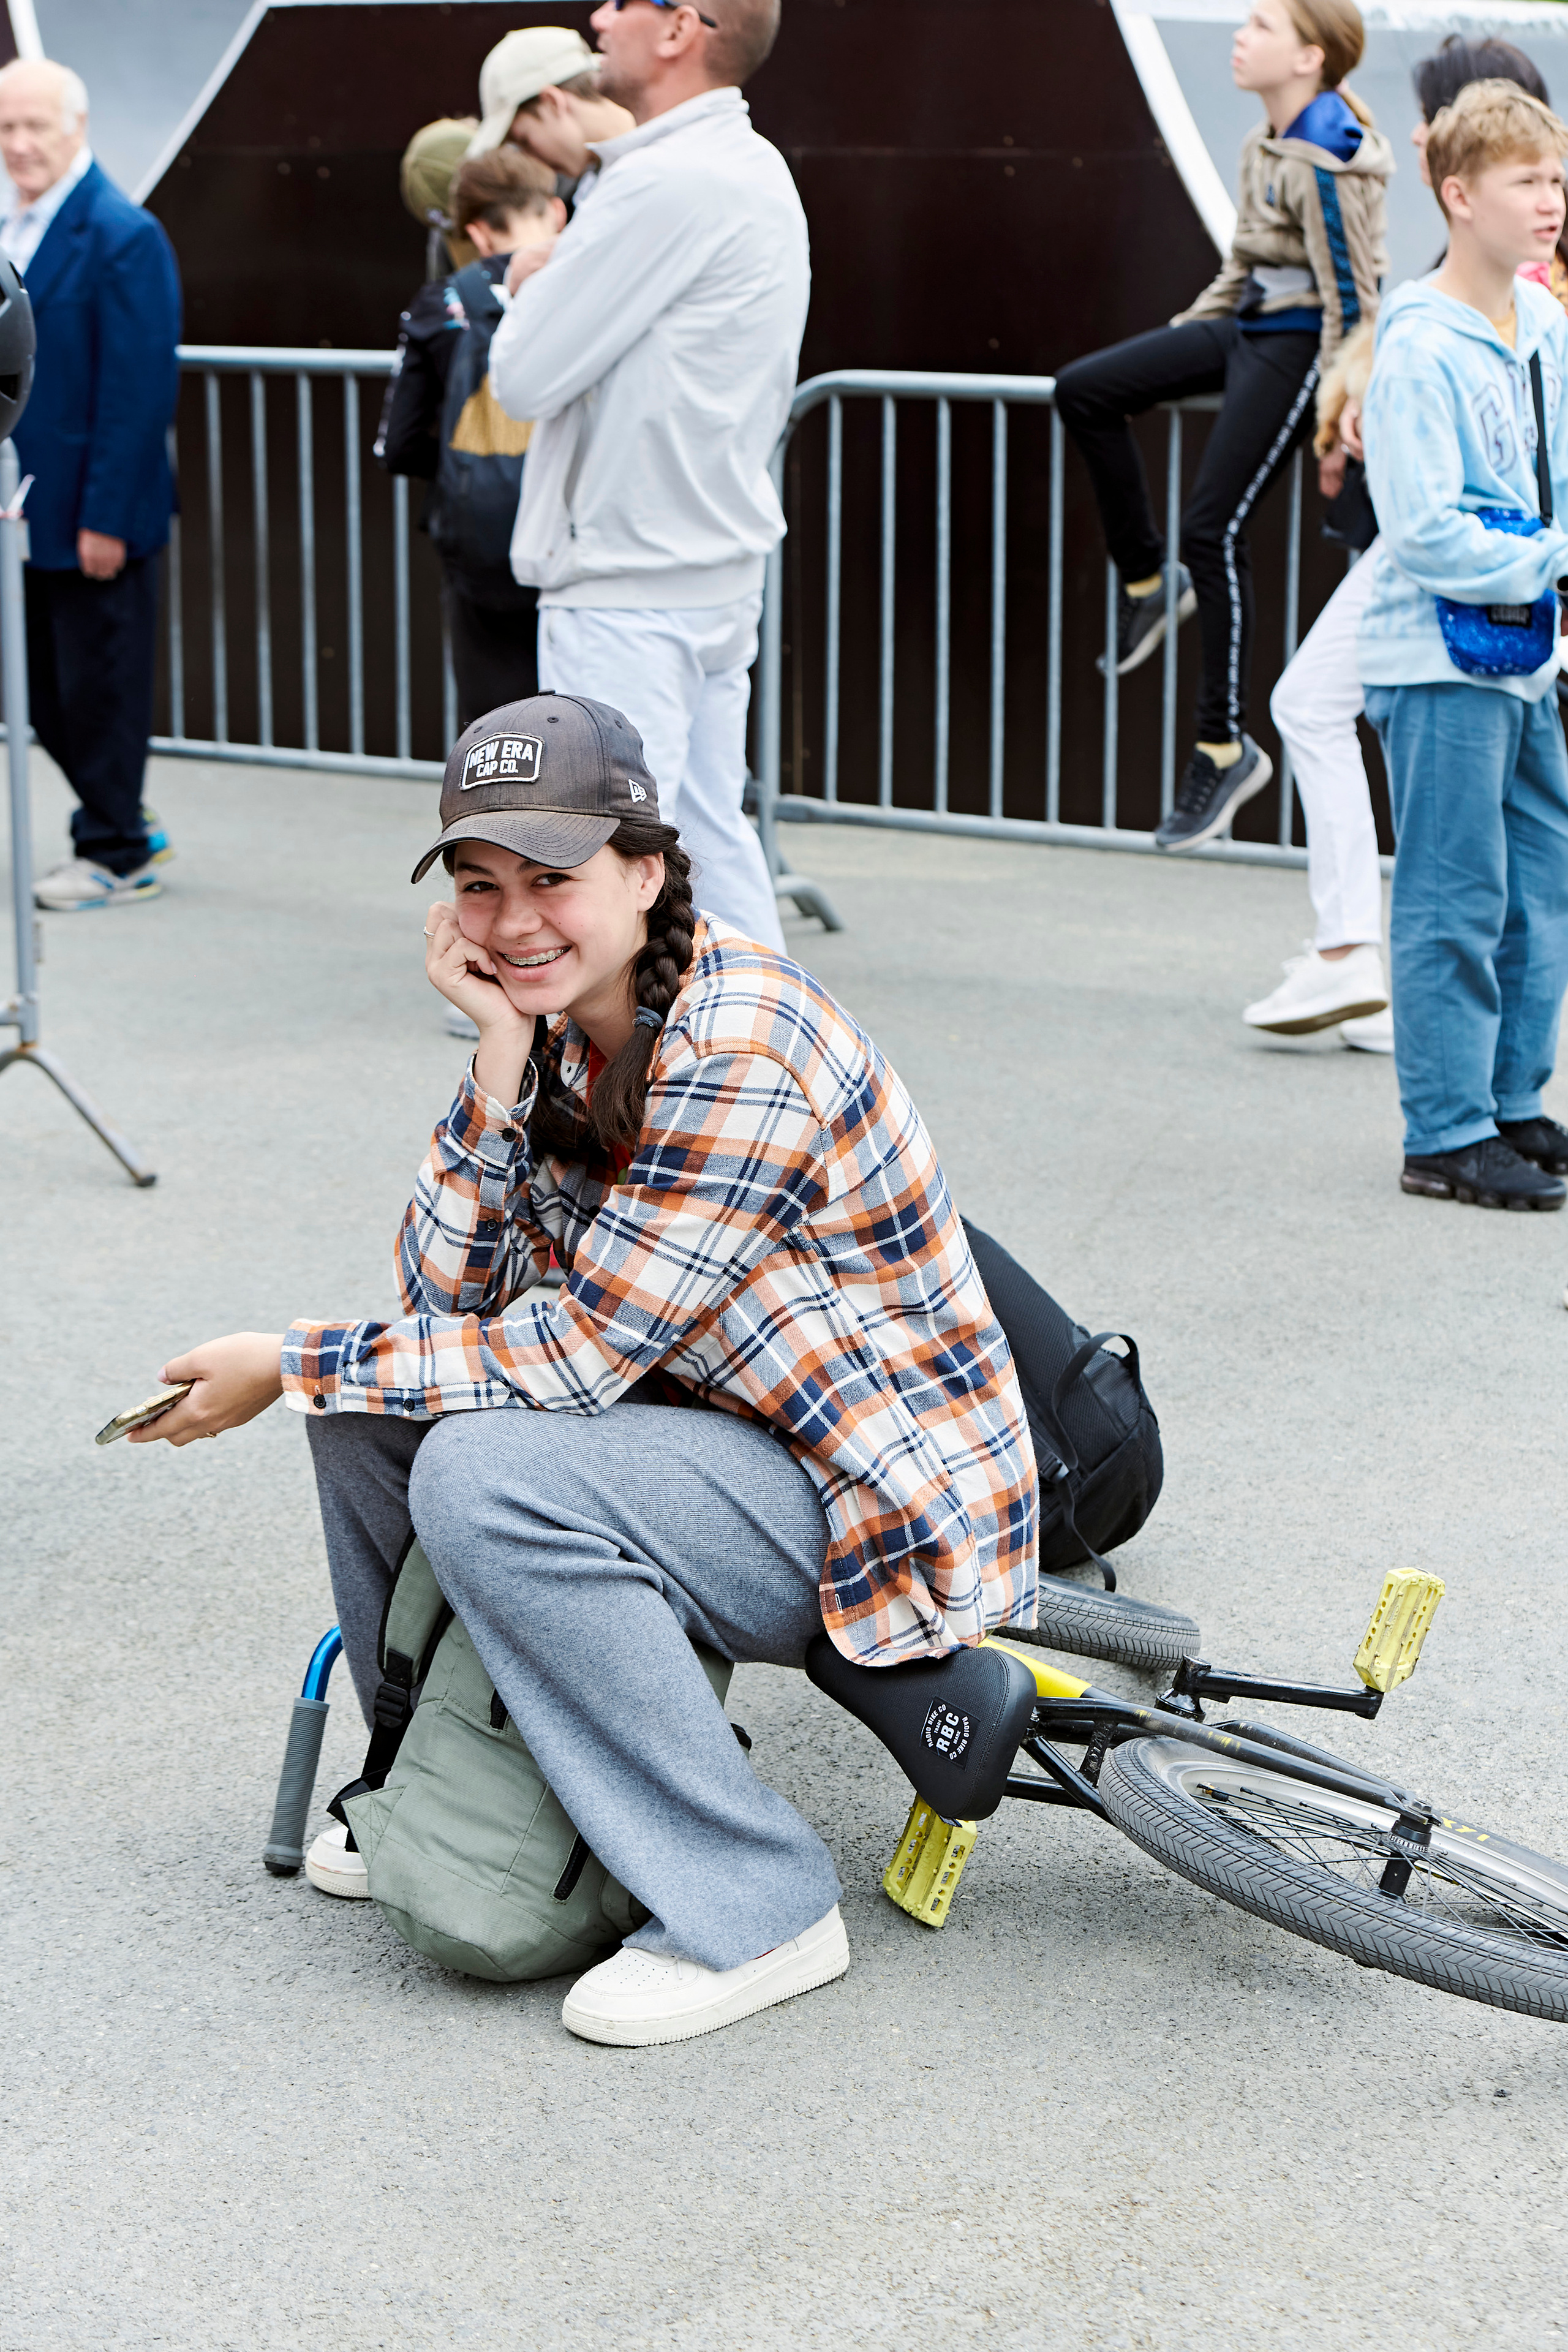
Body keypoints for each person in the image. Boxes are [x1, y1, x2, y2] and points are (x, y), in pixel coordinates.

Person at [126, 693, 1039, 2048]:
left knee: (483, 1466)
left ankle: (754, 1903)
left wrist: (285, 1359)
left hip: (871, 1503)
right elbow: (444, 1306)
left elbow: (566, 1357)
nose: (511, 924)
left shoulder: (741, 1043)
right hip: (714, 1442)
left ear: (646, 869)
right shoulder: (563, 1028)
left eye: (552, 879)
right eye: (480, 886)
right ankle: (425, 1784)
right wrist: (495, 1064)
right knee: (371, 1418)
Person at [1246, 36, 1557, 1052]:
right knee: (1487, 871)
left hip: (1473, 586)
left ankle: (1378, 984)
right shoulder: (1481, 282)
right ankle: (1405, 1014)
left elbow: (1441, 511)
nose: (1414, 127)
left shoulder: (1520, 284)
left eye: (1432, 109)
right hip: (1487, 580)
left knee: (1471, 879)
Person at [488, 0, 804, 954]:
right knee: (709, 837)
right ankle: (773, 1071)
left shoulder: (664, 181)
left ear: (681, 30)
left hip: (629, 575)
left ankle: (641, 1093)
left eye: (626, 2)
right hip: (698, 563)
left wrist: (523, 283)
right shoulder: (747, 167)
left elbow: (525, 373)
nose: (600, 17)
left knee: (609, 861)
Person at [1054, 0, 1392, 853]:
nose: (1241, 38)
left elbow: (1355, 301)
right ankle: (1145, 581)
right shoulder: (1259, 144)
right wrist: (1176, 345)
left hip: (1297, 347)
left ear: (1311, 57)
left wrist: (1337, 410)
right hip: (1245, 328)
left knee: (1215, 527)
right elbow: (1240, 268)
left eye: (1262, 27)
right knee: (1085, 389)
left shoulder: (1327, 156)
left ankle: (1223, 743)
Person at [1361, 80, 1568, 1210]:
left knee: (1541, 879)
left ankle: (1509, 1099)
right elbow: (1424, 527)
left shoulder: (1542, 323)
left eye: (1556, 180)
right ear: (1458, 194)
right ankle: (1445, 1131)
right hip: (1438, 662)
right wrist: (1552, 560)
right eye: (1527, 181)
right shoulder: (1421, 349)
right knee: (1454, 891)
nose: (1551, 202)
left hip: (1528, 654)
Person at [0, 58, 181, 913]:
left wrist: (106, 516)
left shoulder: (122, 232)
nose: (20, 143)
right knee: (44, 688)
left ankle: (114, 850)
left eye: (36, 126)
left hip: (94, 515)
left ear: (77, 128)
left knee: (99, 685)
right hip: (30, 509)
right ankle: (122, 818)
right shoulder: (18, 222)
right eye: (5, 128)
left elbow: (137, 393)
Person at [377, 149, 567, 729]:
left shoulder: (443, 304)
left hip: (480, 547)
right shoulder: (587, 285)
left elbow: (400, 443)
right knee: (583, 720)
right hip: (571, 539)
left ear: (479, 234)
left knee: (498, 725)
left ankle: (499, 820)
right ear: (557, 211)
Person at [466, 23, 632, 199]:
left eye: (525, 141)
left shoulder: (654, 157)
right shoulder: (594, 184)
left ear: (553, 102)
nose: (531, 160)